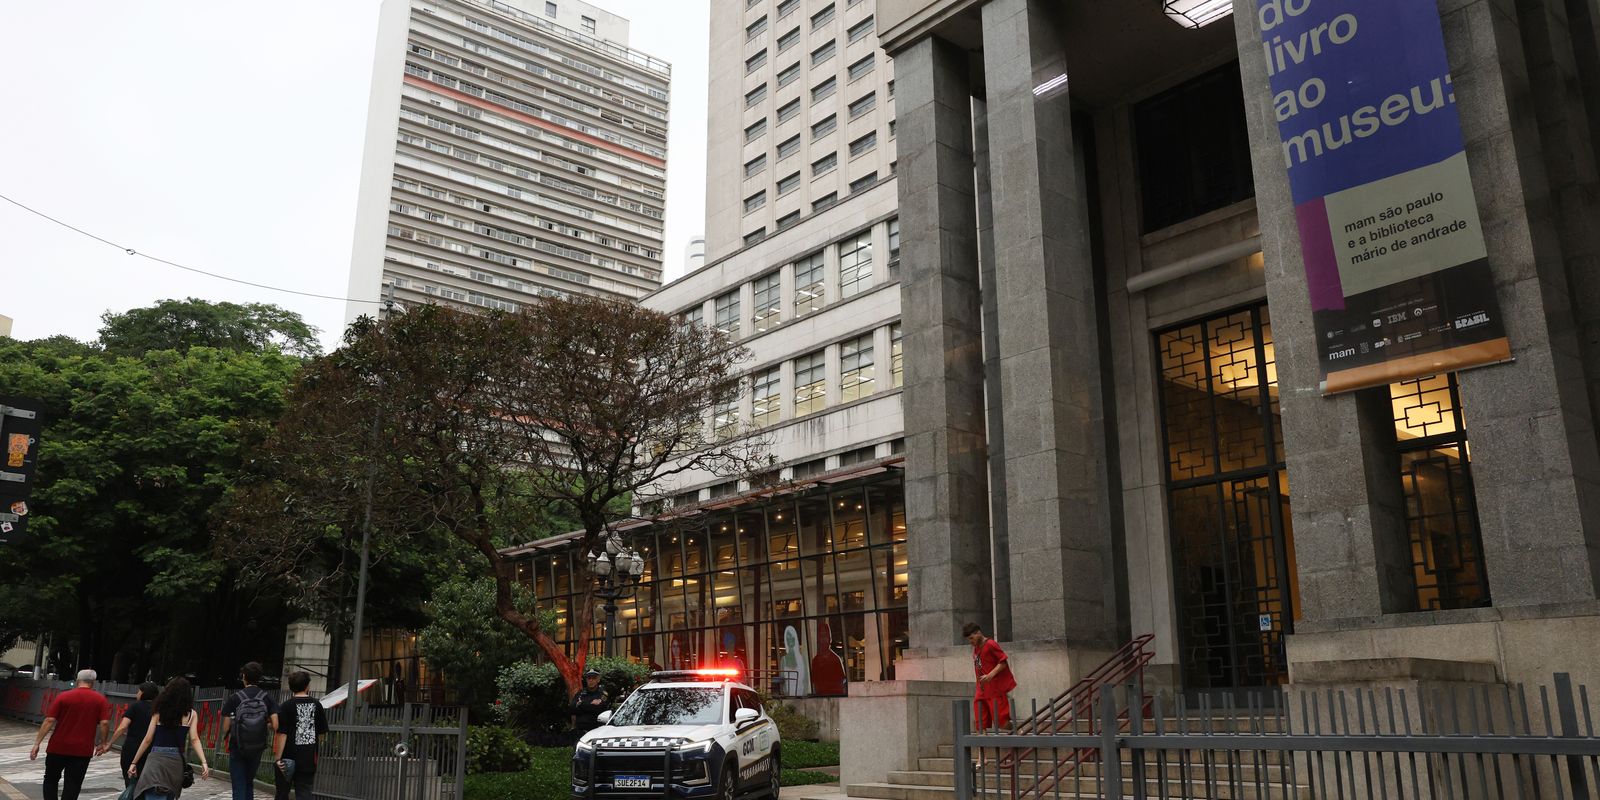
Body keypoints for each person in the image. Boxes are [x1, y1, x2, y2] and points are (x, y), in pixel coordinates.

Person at [28, 669, 112, 800]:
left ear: (77, 680)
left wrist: (37, 744)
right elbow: (105, 723)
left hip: (57, 747)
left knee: (50, 779)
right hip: (82, 750)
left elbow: (49, 720)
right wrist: (103, 742)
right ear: (93, 682)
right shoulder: (100, 700)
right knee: (73, 784)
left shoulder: (63, 696)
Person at [127, 677, 211, 800]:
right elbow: (194, 739)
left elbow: (148, 739)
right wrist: (204, 762)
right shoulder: (191, 714)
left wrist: (134, 762)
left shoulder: (158, 711)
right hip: (176, 761)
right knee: (169, 794)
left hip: (156, 758)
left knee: (153, 792)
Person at [219, 662, 279, 800]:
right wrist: (262, 725)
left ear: (244, 676)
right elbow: (276, 725)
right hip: (257, 746)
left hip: (238, 746)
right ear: (259, 678)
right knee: (249, 782)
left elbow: (226, 727)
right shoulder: (267, 697)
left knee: (239, 784)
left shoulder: (235, 698)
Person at [272, 672, 328, 800]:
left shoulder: (285, 706)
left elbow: (282, 734)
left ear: (291, 687)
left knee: (282, 793)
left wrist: (278, 758)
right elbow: (322, 732)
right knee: (304, 791)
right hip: (308, 757)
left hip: (287, 757)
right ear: (307, 686)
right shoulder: (316, 704)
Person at [101, 682, 162, 785]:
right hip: (152, 749)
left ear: (143, 693)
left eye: (138, 692)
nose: (137, 694)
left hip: (132, 748)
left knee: (130, 779)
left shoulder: (135, 707)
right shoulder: (159, 709)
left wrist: (110, 743)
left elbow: (123, 727)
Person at [964, 622, 1017, 733]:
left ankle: (1018, 730)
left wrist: (990, 675)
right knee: (980, 721)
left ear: (978, 633)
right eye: (969, 639)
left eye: (972, 638)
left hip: (994, 689)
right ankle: (982, 741)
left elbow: (1003, 662)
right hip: (981, 689)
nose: (971, 642)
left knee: (1002, 722)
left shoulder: (991, 644)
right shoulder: (976, 648)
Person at [570, 669, 610, 735]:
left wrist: (581, 704)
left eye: (594, 678)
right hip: (580, 731)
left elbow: (598, 708)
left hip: (596, 731)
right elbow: (572, 708)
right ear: (586, 680)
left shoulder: (602, 694)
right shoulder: (581, 693)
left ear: (598, 680)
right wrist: (590, 704)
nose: (591, 680)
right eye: (589, 678)